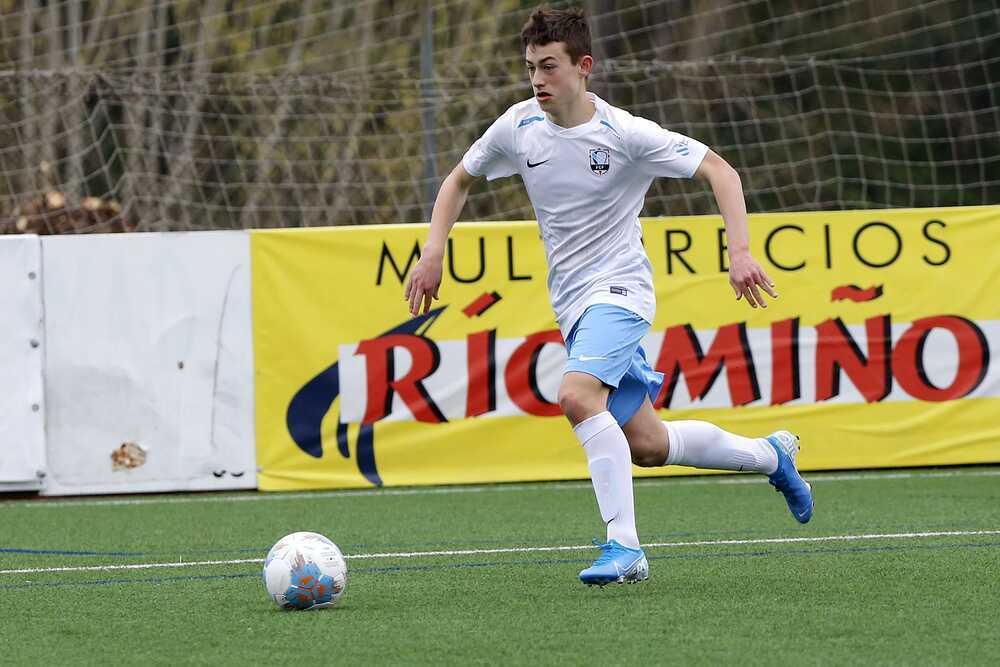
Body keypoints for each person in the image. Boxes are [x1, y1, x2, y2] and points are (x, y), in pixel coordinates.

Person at [404, 6, 813, 587]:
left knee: (576, 395)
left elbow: (721, 172)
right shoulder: (518, 126)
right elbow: (458, 180)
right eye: (531, 68)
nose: (538, 79)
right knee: (648, 444)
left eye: (549, 66)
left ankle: (625, 548)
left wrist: (740, 251)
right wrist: (432, 253)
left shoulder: (625, 134)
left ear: (584, 66)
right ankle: (772, 455)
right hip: (574, 305)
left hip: (621, 291)